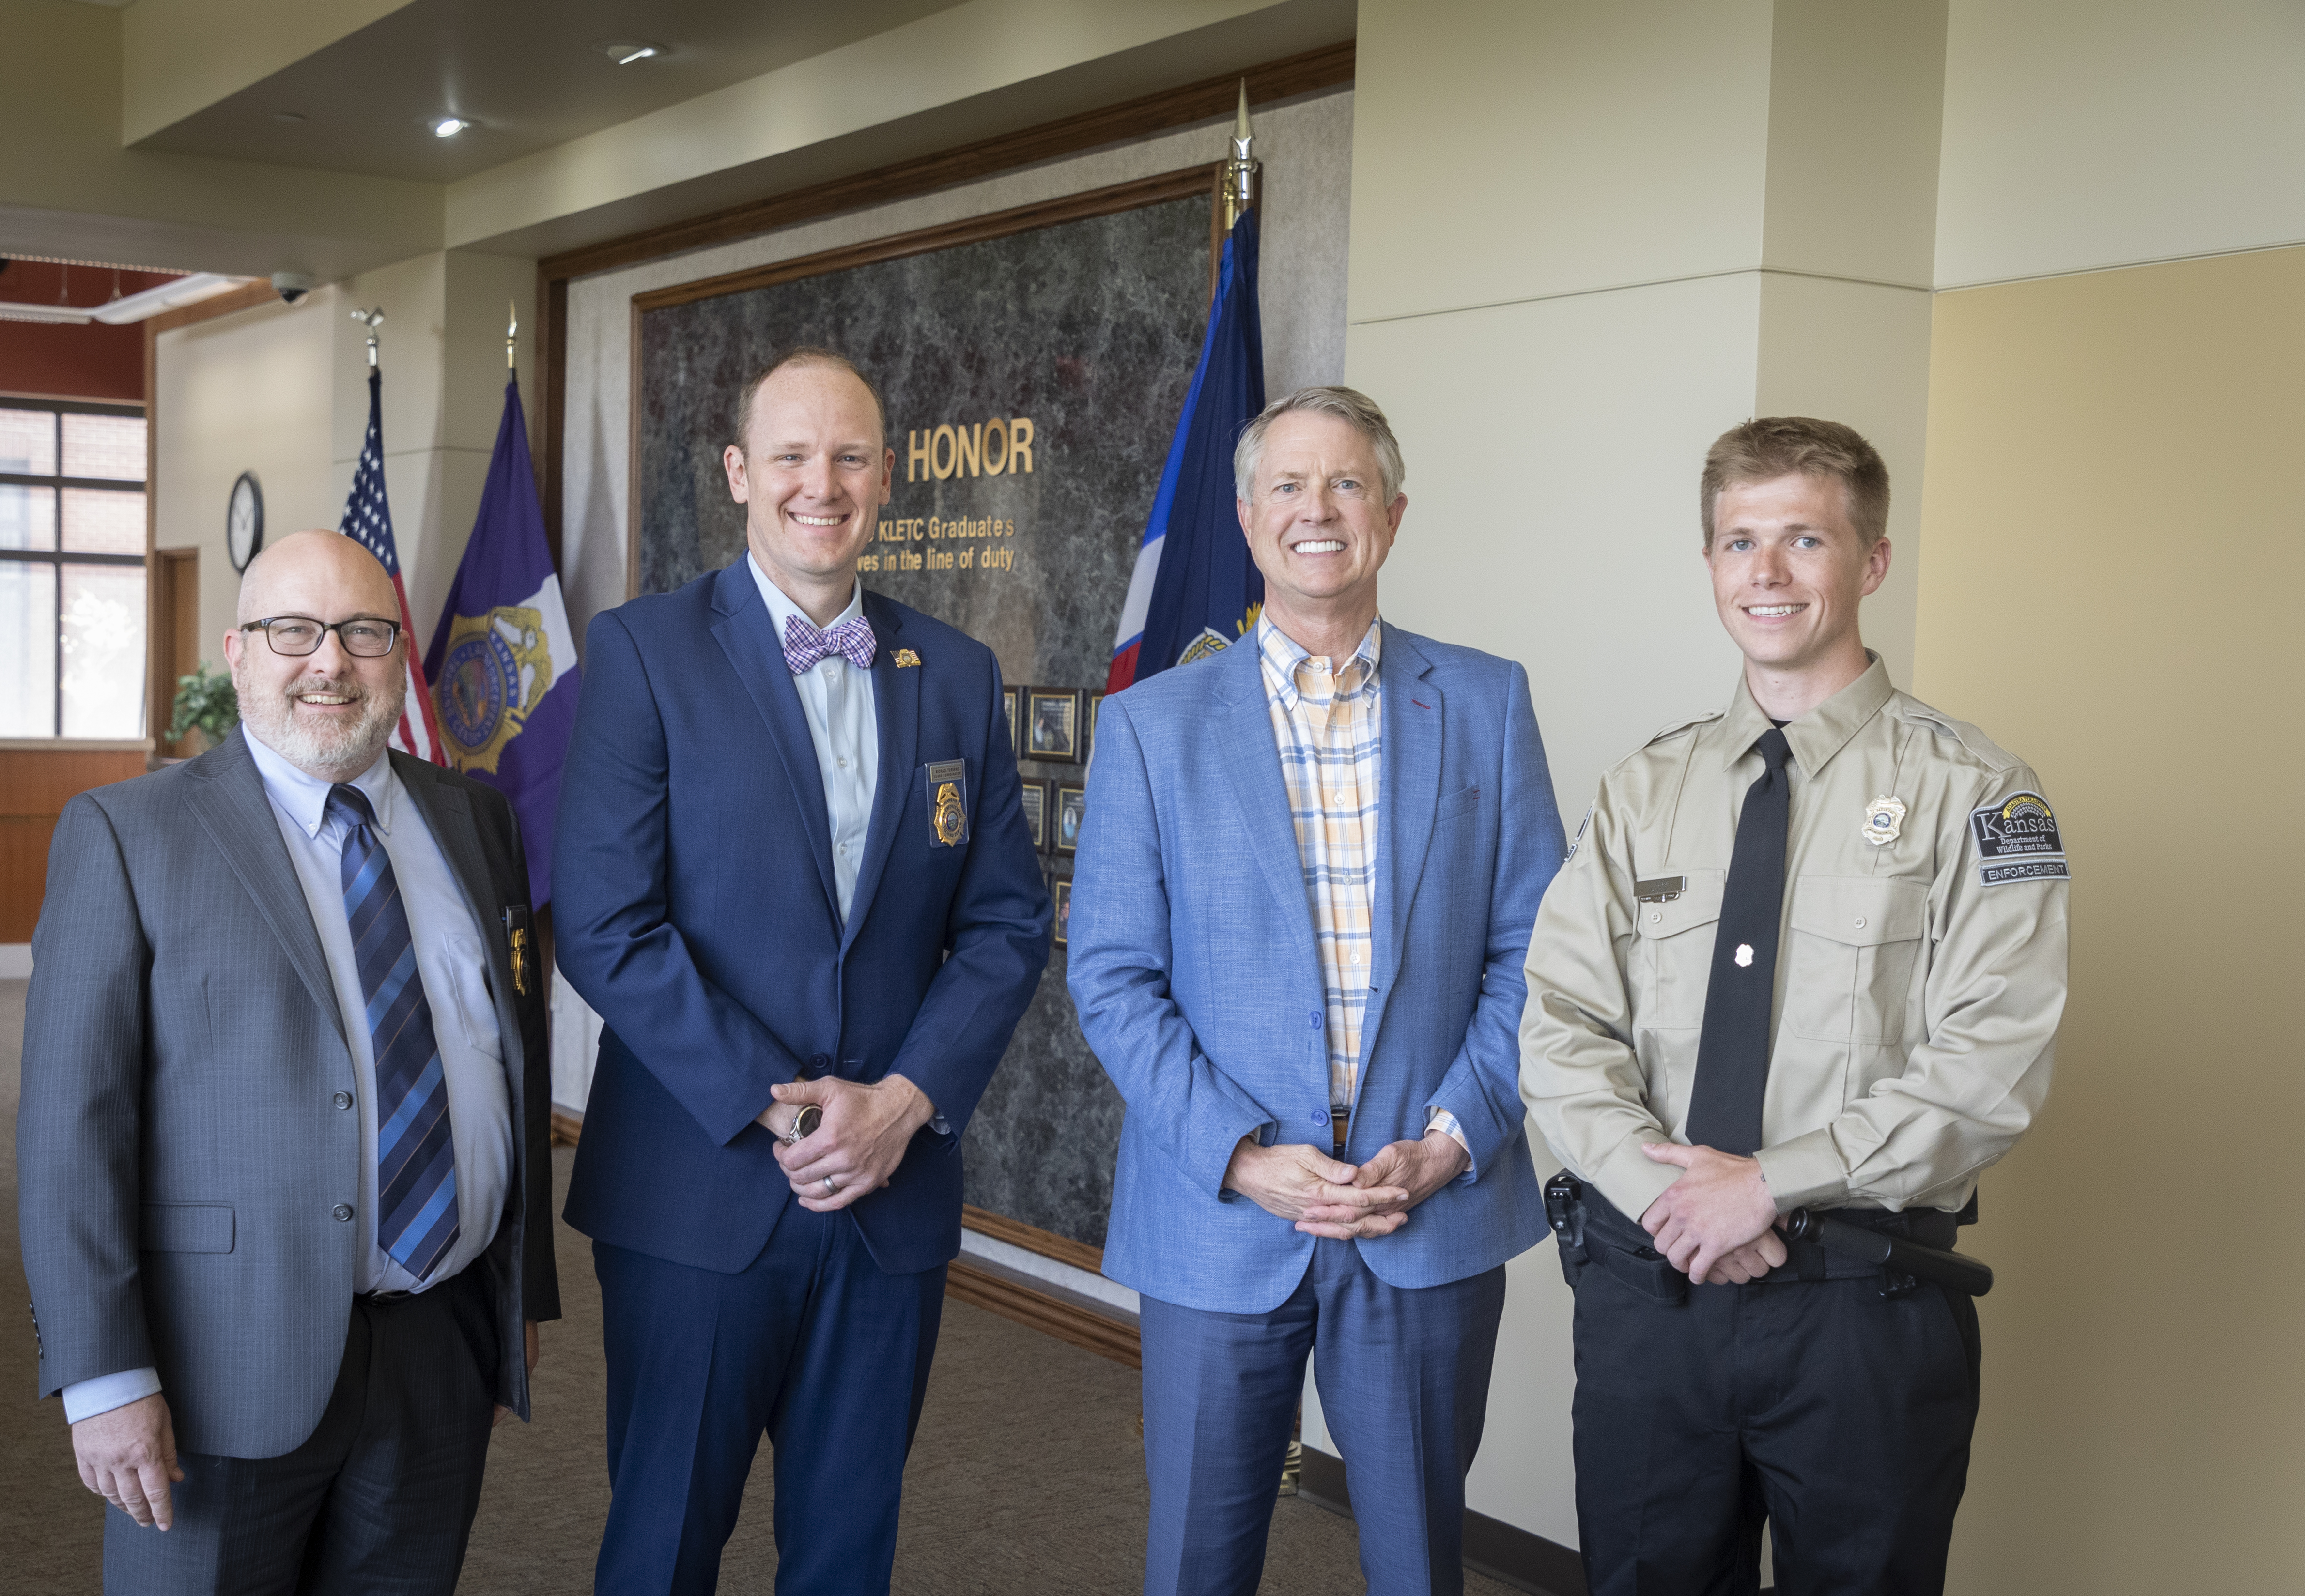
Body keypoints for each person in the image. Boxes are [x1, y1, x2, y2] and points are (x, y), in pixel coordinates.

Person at [1519, 417, 2070, 1594]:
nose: (1764, 575)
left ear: (1870, 562)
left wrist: (1764, 1184)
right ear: (1712, 562)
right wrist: (1678, 1199)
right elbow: (1560, 1021)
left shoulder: (1974, 791)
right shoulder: (1643, 789)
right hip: (1651, 1293)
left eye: (1803, 539)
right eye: (1738, 541)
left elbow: (1994, 1062)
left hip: (1858, 1310)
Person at [552, 347, 1049, 1595]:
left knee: (846, 1552)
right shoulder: (644, 652)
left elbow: (1003, 925)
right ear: (738, 473)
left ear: (887, 479)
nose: (819, 484)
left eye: (848, 457)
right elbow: (607, 923)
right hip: (697, 1190)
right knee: (663, 1545)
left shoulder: (957, 673)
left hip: (890, 1196)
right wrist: (778, 1099)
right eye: (790, 455)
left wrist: (902, 1102)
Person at [1068, 386, 1564, 1596]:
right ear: (1246, 519)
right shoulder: (1150, 726)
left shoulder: (1488, 702)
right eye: (1288, 485)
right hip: (1220, 1215)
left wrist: (1452, 1140)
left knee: (1416, 1567)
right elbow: (1114, 977)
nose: (1317, 510)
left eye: (1346, 484)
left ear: (1392, 515)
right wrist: (1241, 1155)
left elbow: (1540, 956)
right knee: (1197, 1561)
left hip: (1426, 1208)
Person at [17, 528, 559, 1595]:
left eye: (362, 632)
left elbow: (513, 1066)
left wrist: (515, 1303)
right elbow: (70, 1133)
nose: (329, 661)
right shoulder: (129, 835)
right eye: (292, 631)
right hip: (221, 1360)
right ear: (237, 651)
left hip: (438, 1341)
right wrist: (102, 1375)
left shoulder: (476, 818)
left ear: (400, 654)